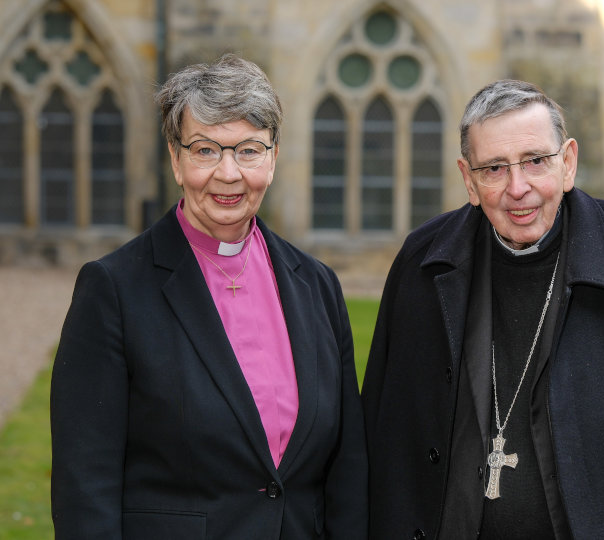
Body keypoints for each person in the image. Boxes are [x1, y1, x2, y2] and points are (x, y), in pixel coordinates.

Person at [362, 79, 604, 539]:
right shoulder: (423, 264)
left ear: (568, 162)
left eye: (535, 161)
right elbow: (381, 434)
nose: (518, 187)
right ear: (468, 180)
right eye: (493, 168)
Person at [50, 53, 368, 540]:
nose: (228, 174)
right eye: (205, 150)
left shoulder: (318, 285)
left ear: (274, 158)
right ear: (175, 160)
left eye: (248, 150)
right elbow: (84, 484)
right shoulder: (113, 290)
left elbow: (347, 469)